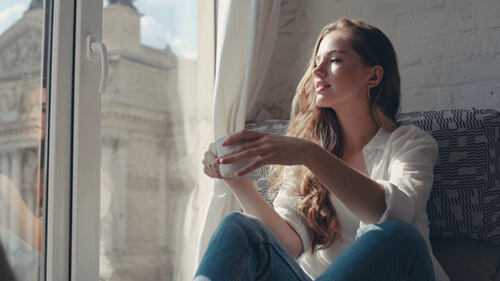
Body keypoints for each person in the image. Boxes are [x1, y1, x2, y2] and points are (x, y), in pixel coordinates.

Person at [199, 18, 449, 281]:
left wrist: (310, 155)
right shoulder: (307, 151)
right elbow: (288, 244)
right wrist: (234, 180)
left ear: (373, 75)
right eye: (317, 62)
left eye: (335, 60)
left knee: (399, 235)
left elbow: (390, 215)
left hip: (400, 268)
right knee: (239, 226)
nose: (317, 71)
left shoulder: (410, 143)